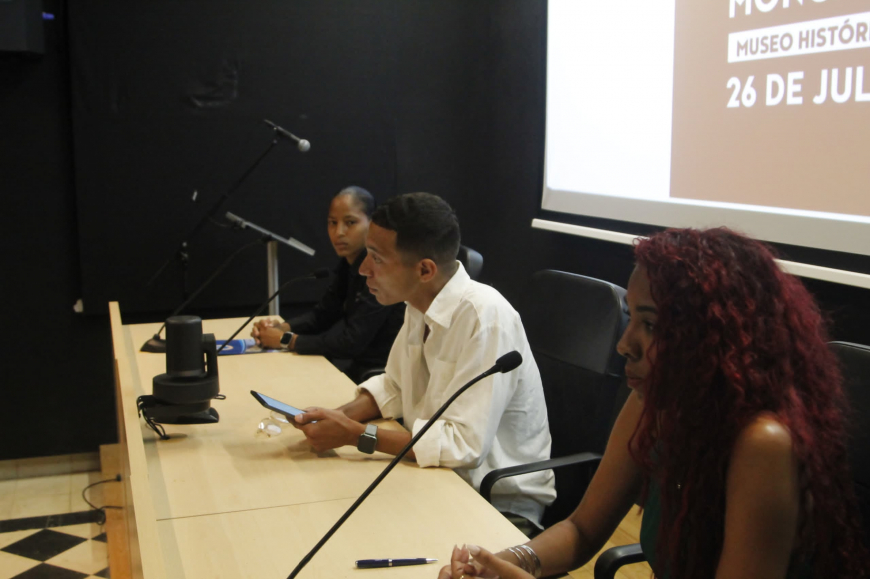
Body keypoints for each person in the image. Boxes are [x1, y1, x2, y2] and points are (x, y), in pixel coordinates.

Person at [440, 228, 869, 579]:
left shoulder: (763, 443)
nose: (625, 345)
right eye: (631, 318)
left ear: (712, 336)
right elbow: (581, 529)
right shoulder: (655, 404)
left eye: (651, 325)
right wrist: (506, 563)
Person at [292, 192, 556, 529]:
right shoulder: (417, 303)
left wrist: (355, 435)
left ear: (425, 270)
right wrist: (336, 418)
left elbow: (462, 446)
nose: (364, 269)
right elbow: (395, 386)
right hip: (437, 477)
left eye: (376, 258)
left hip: (494, 504)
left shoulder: (486, 318)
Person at [252, 186, 404, 384]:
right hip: (355, 368)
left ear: (371, 223)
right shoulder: (348, 264)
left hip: (380, 377)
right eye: (332, 223)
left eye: (350, 222)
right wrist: (280, 327)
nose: (339, 232)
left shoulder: (379, 270)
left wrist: (285, 340)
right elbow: (322, 315)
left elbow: (351, 342)